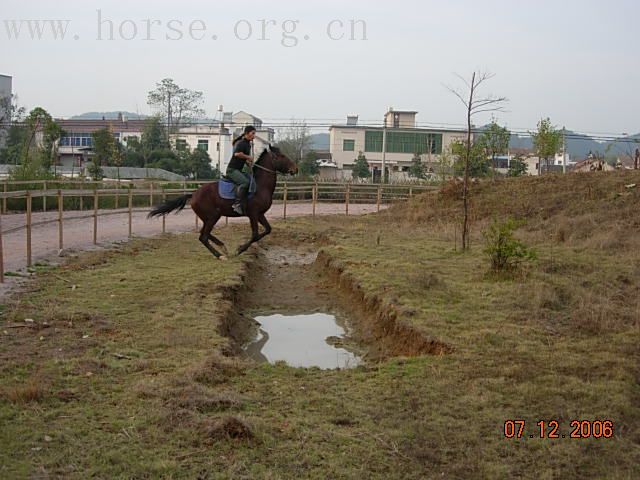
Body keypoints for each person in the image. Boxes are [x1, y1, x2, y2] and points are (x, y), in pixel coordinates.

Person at [226, 125, 256, 214]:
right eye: (253, 133)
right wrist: (248, 157)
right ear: (247, 133)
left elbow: (243, 158)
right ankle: (237, 204)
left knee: (251, 179)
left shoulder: (248, 145)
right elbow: (237, 154)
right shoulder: (241, 143)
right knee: (245, 182)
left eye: (254, 134)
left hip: (238, 170)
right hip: (232, 170)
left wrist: (250, 164)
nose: (254, 136)